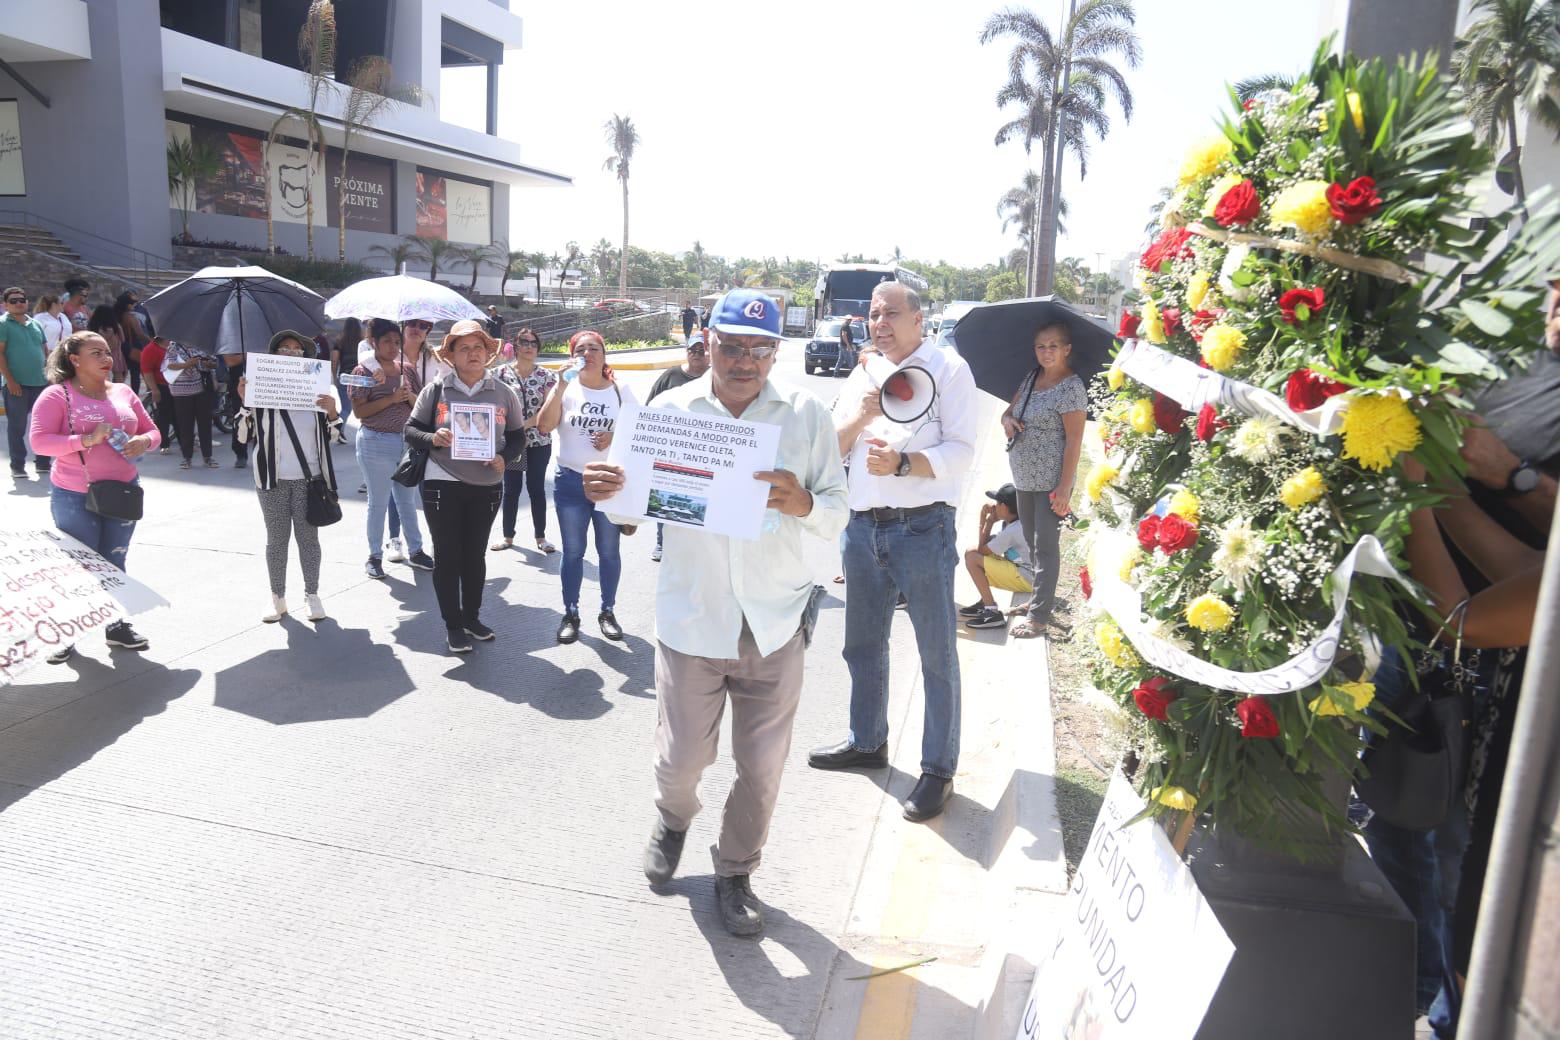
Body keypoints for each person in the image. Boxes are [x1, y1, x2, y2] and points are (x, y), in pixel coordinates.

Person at [579, 287, 849, 936]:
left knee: (762, 769)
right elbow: (630, 509)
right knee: (680, 765)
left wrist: (804, 504)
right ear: (708, 343)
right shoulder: (671, 410)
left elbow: (839, 508)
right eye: (732, 346)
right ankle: (673, 821)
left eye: (759, 349)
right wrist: (608, 491)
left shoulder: (807, 416)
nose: (745, 361)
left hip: (775, 623)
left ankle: (735, 871)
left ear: (776, 352)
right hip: (693, 621)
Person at [809, 281, 979, 824]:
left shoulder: (949, 370)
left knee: (936, 655)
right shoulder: (864, 371)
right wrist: (857, 417)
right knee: (862, 647)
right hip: (862, 530)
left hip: (923, 529)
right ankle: (867, 741)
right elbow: (830, 449)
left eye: (890, 314)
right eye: (873, 315)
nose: (878, 323)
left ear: (918, 319)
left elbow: (961, 451)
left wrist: (905, 465)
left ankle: (937, 770)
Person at [28, 331, 160, 664]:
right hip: (75, 493)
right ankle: (66, 632)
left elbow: (152, 430)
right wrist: (85, 439)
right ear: (74, 360)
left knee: (114, 561)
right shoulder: (57, 395)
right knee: (79, 565)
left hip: (123, 491)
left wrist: (144, 441)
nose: (107, 359)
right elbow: (40, 443)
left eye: (107, 352)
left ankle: (115, 625)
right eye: (96, 353)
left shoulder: (124, 391)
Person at [403, 320, 526, 654]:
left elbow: (517, 436)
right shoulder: (437, 390)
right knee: (447, 555)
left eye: (478, 348)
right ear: (452, 355)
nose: (473, 354)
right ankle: (453, 626)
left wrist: (504, 457)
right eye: (464, 348)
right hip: (441, 480)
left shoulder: (503, 392)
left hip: (486, 484)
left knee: (474, 555)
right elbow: (411, 430)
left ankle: (472, 618)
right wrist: (433, 437)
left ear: (487, 353)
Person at [536, 329, 639, 644]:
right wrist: (560, 385)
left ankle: (607, 611)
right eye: (581, 349)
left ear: (604, 355)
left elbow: (642, 432)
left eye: (595, 348)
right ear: (572, 356)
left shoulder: (621, 390)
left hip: (609, 482)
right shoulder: (566, 390)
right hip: (570, 482)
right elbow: (543, 425)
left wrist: (615, 434)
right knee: (573, 552)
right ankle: (571, 613)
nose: (589, 354)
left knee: (609, 551)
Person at [234, 331, 344, 623]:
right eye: (285, 348)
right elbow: (244, 435)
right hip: (272, 477)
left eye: (297, 350)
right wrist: (246, 403)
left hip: (310, 479)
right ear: (274, 355)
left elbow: (335, 437)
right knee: (277, 540)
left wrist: (332, 412)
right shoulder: (261, 390)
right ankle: (277, 597)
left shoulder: (319, 390)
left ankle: (312, 595)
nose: (291, 353)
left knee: (309, 539)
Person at [998, 322, 1087, 638]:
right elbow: (1007, 412)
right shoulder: (1031, 377)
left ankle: (1038, 619)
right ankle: (1038, 601)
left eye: (1053, 346)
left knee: (1046, 547)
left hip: (1052, 480)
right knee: (1032, 543)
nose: (1046, 352)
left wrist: (1064, 487)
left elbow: (1075, 441)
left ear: (1066, 349)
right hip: (1023, 476)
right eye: (1040, 346)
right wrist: (1008, 421)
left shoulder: (1071, 387)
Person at [349, 317, 433, 580]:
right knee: (378, 502)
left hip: (405, 443)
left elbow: (422, 406)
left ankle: (416, 549)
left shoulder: (407, 370)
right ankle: (374, 555)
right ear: (374, 342)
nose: (393, 346)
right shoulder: (363, 371)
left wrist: (408, 397)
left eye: (397, 341)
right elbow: (360, 411)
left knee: (407, 500)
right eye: (387, 341)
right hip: (375, 442)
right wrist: (390, 399)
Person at [491, 327, 558, 554]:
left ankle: (541, 537)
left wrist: (522, 426)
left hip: (539, 442)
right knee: (511, 489)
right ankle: (508, 536)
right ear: (516, 346)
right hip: (511, 444)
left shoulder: (548, 376)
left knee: (536, 489)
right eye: (524, 342)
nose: (529, 346)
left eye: (533, 343)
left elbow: (549, 411)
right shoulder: (500, 374)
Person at [645, 332, 711, 562]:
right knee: (666, 498)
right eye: (692, 350)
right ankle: (662, 543)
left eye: (701, 350)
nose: (696, 354)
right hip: (671, 452)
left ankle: (695, 549)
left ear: (710, 353)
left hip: (705, 456)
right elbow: (649, 410)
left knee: (697, 503)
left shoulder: (716, 379)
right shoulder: (670, 376)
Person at [959, 483, 1035, 629]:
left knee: (972, 558)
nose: (994, 506)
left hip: (1027, 578)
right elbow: (986, 546)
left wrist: (986, 521)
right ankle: (984, 602)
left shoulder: (1013, 530)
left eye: (997, 503)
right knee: (972, 552)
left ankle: (991, 612)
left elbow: (981, 550)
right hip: (1025, 572)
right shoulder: (1016, 522)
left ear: (1005, 507)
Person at [1, 286, 51, 478]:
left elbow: (45, 351)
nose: (19, 303)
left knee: (45, 424)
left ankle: (43, 462)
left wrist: (50, 376)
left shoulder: (35, 324)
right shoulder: (3, 324)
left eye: (22, 299)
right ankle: (18, 466)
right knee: (17, 427)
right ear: (5, 305)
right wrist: (11, 381)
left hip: (41, 383)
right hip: (17, 385)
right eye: (13, 301)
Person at [163, 339, 220, 468]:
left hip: (202, 389)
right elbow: (170, 365)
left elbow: (215, 363)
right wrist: (186, 364)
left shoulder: (203, 345)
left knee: (205, 424)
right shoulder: (173, 347)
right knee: (185, 426)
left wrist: (208, 363)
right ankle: (187, 458)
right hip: (181, 391)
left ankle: (208, 457)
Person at [138, 335, 175, 452]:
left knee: (179, 415)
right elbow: (147, 371)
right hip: (162, 386)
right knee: (163, 416)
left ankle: (187, 443)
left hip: (177, 386)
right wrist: (154, 389)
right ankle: (164, 444)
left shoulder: (174, 346)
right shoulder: (150, 350)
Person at [113, 291, 149, 395]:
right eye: (132, 303)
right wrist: (152, 341)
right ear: (127, 305)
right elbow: (140, 334)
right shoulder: (131, 317)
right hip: (134, 346)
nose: (134, 305)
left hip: (121, 346)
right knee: (135, 373)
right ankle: (134, 395)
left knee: (120, 373)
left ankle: (115, 393)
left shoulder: (116, 315)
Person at [86, 305, 127, 384]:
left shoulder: (94, 327)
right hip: (116, 354)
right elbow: (123, 339)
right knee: (118, 377)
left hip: (99, 354)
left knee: (103, 375)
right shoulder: (116, 327)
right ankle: (118, 394)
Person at [333, 317, 361, 423]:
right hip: (358, 379)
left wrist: (334, 376)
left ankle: (337, 428)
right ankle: (337, 429)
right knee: (351, 409)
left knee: (345, 408)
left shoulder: (340, 342)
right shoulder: (361, 343)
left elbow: (334, 360)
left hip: (344, 378)